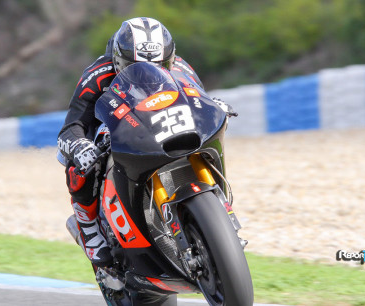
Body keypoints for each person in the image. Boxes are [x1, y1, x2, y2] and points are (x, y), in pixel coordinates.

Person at [57, 17, 234, 268]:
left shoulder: (182, 68)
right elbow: (71, 127)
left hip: (161, 123)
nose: (151, 72)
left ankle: (218, 209)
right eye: (134, 66)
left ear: (170, 58)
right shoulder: (97, 75)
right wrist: (79, 145)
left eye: (161, 64)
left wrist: (214, 106)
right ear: (119, 60)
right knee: (84, 158)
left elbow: (197, 101)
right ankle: (87, 225)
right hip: (115, 129)